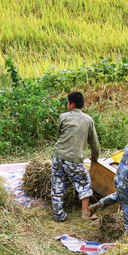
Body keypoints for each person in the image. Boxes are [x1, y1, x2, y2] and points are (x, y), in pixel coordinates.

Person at [51, 91, 100, 222]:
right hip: (73, 159)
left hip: (57, 155)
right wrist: (95, 156)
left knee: (57, 184)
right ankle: (85, 214)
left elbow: (59, 135)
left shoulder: (63, 117)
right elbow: (94, 143)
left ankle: (58, 215)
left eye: (67, 103)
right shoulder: (88, 120)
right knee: (84, 183)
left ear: (72, 104)